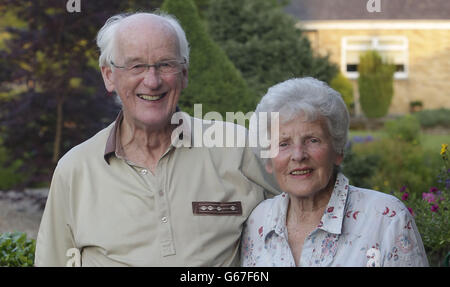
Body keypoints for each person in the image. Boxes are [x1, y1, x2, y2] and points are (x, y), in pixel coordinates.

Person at [34, 12, 279, 266]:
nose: (152, 81)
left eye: (165, 64)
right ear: (109, 76)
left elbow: (311, 207)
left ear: (184, 74)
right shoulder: (75, 170)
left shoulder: (237, 146)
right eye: (136, 66)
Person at [241, 77, 429, 267]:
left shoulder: (386, 219)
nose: (298, 155)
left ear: (338, 150)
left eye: (312, 140)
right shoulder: (259, 221)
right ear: (269, 161)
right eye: (283, 144)